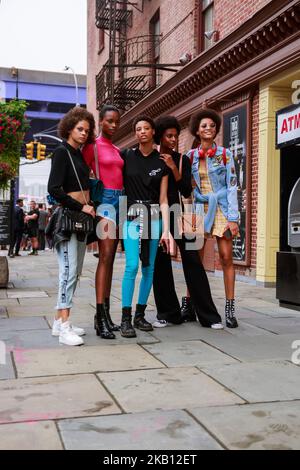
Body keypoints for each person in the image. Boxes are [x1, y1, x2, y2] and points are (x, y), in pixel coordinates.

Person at [153, 116, 223, 329]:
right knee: (160, 263)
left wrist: (173, 167)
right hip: (155, 214)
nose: (173, 139)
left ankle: (209, 316)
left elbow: (185, 189)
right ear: (161, 137)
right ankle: (168, 313)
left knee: (193, 261)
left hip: (181, 214)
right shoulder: (151, 158)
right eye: (169, 136)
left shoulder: (183, 159)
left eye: (175, 135)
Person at [47, 106, 96, 346]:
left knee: (74, 273)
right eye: (80, 129)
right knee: (68, 272)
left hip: (81, 220)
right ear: (69, 128)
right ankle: (65, 327)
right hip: (68, 219)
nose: (84, 133)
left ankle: (59, 322)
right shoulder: (61, 152)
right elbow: (53, 189)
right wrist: (81, 207)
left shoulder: (78, 154)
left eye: (87, 130)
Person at [188, 108, 239, 328]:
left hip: (222, 209)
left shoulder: (225, 154)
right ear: (197, 132)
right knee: (194, 260)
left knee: (226, 257)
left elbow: (233, 186)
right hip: (199, 209)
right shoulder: (190, 157)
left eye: (212, 125)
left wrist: (233, 217)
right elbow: (185, 186)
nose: (209, 128)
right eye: (204, 126)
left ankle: (229, 307)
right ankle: (190, 303)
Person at [120, 115, 170, 338]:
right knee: (131, 266)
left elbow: (164, 199)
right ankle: (125, 318)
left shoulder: (162, 162)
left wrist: (166, 230)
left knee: (149, 268)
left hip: (154, 218)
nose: (141, 131)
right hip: (131, 215)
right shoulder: (127, 156)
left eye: (146, 128)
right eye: (138, 128)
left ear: (152, 132)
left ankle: (140, 315)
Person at [83, 104, 124, 340]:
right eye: (109, 121)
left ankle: (106, 314)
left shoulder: (117, 149)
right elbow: (80, 173)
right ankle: (99, 318)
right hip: (105, 202)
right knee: (106, 256)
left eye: (117, 121)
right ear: (101, 122)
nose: (114, 125)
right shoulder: (93, 147)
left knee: (111, 259)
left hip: (121, 201)